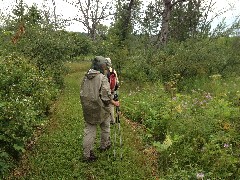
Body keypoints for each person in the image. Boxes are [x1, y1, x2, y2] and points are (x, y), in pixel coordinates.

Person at [80, 56, 119, 162]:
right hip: (100, 108)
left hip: (88, 108)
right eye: (105, 67)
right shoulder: (102, 78)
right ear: (102, 66)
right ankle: (104, 145)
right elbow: (106, 97)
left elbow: (82, 92)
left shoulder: (86, 76)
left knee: (89, 130)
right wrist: (114, 102)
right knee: (106, 126)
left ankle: (87, 154)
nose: (105, 68)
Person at [105, 57, 119, 124]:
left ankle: (107, 120)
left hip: (106, 91)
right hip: (112, 90)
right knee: (111, 105)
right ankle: (112, 120)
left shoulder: (104, 71)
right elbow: (117, 82)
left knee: (105, 104)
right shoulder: (113, 70)